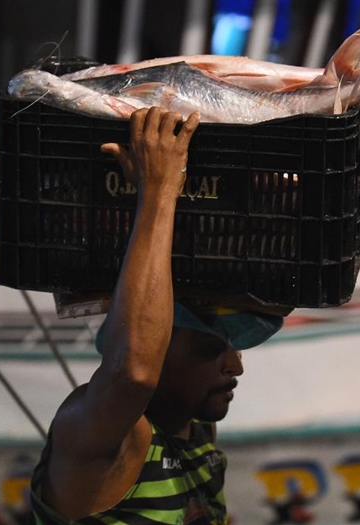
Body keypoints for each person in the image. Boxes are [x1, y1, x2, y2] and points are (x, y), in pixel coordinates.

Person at [29, 106, 284, 525]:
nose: (235, 364)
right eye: (208, 348)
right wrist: (159, 189)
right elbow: (133, 373)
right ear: (158, 347)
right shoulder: (100, 436)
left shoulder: (196, 434)